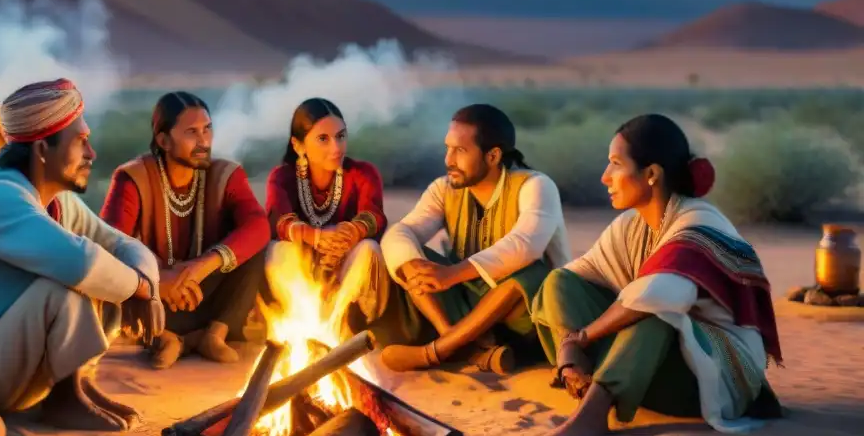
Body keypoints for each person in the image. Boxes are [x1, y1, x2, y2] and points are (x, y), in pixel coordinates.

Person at [0, 79, 165, 431]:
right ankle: (63, 399)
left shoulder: (57, 202)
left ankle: (79, 385)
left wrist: (145, 285)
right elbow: (81, 262)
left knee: (111, 275)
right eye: (81, 142)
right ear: (43, 149)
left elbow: (123, 246)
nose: (92, 155)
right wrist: (139, 288)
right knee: (67, 284)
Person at [531, 113, 783, 436]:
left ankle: (594, 414)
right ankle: (582, 375)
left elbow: (663, 296)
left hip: (712, 383)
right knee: (557, 283)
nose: (606, 177)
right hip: (649, 366)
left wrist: (586, 336)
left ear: (651, 174)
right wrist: (571, 350)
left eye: (616, 164)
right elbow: (570, 281)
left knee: (658, 314)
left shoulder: (700, 224)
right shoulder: (630, 227)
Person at [379, 104, 571, 374]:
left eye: (460, 150)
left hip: (527, 320)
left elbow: (526, 245)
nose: (448, 160)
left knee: (531, 274)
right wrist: (413, 265)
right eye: (448, 148)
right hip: (468, 310)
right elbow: (400, 232)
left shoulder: (536, 186)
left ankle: (437, 352)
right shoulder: (443, 190)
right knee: (411, 257)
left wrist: (452, 274)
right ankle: (461, 342)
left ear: (493, 156)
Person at [101, 91, 270, 368]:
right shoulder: (132, 178)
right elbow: (109, 240)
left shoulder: (226, 175)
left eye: (207, 129)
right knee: (106, 273)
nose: (204, 141)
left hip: (206, 295)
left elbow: (257, 224)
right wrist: (158, 282)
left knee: (255, 246)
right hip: (157, 298)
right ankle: (165, 337)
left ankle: (214, 335)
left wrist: (201, 266)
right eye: (192, 132)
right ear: (164, 140)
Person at [264, 98, 390, 339]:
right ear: (298, 145)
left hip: (346, 272)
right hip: (301, 271)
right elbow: (278, 222)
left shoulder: (363, 173)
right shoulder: (282, 177)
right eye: (324, 139)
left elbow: (374, 216)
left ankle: (341, 327)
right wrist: (317, 238)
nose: (337, 147)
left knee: (370, 249)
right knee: (280, 251)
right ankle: (301, 328)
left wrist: (350, 234)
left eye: (341, 136)